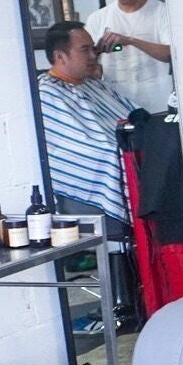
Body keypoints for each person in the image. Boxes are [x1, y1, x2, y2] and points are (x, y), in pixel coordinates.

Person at [37, 21, 138, 224]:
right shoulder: (47, 93)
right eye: (85, 50)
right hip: (92, 191)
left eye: (93, 49)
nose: (93, 56)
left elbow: (136, 117)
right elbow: (80, 147)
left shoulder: (94, 85)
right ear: (59, 56)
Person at [85, 0, 174, 111]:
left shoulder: (162, 12)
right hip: (116, 108)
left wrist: (130, 41)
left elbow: (171, 54)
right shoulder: (97, 19)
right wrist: (96, 56)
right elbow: (87, 61)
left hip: (157, 107)